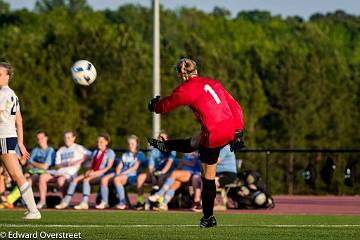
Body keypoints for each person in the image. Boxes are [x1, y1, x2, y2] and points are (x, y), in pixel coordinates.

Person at [148, 58, 244, 228]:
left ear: (180, 74)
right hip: (230, 128)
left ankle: (208, 218)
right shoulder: (213, 83)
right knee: (194, 140)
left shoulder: (185, 89)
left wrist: (155, 105)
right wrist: (238, 131)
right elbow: (235, 106)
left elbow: (165, 106)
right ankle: (166, 145)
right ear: (196, 70)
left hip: (214, 134)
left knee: (208, 177)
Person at [0, 62, 40, 219]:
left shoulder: (3, 93)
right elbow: (19, 120)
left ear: (8, 76)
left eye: (0, 74)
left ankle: (34, 211)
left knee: (16, 175)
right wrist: (21, 143)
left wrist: (19, 142)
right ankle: (33, 210)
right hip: (8, 137)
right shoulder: (11, 93)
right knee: (15, 174)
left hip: (3, 137)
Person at [55, 133, 115, 210]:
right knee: (75, 179)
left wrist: (94, 172)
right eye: (97, 141)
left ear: (106, 142)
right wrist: (89, 171)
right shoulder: (95, 152)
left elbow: (108, 167)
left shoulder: (110, 152)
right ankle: (65, 201)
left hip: (103, 173)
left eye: (101, 142)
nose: (98, 143)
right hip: (94, 172)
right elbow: (93, 165)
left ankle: (87, 202)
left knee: (86, 180)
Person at [0, 130, 55, 209]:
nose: (40, 140)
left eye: (41, 138)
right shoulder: (35, 150)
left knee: (27, 180)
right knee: (23, 178)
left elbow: (45, 167)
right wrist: (33, 165)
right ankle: (8, 200)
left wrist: (33, 164)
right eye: (38, 139)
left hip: (45, 173)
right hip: (32, 173)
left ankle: (9, 200)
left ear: (46, 138)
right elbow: (29, 165)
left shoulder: (50, 150)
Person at [37, 130, 90, 208]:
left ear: (74, 138)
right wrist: (67, 164)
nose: (66, 139)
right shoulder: (61, 150)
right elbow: (57, 165)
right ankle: (42, 202)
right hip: (59, 172)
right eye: (65, 138)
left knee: (60, 180)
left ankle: (65, 201)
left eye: (69, 137)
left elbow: (90, 155)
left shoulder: (79, 148)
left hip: (71, 174)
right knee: (42, 177)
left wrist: (79, 161)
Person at [96, 134, 144, 210]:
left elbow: (135, 167)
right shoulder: (125, 154)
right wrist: (118, 173)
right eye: (129, 144)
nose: (130, 146)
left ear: (137, 144)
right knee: (104, 179)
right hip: (121, 174)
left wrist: (122, 173)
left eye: (132, 144)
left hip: (132, 175)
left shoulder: (140, 154)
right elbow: (120, 165)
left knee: (116, 179)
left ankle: (123, 202)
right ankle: (104, 202)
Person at [136, 131, 176, 210]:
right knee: (140, 177)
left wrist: (160, 174)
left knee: (161, 178)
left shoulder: (172, 150)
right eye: (159, 138)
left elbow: (168, 165)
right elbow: (151, 167)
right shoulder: (154, 150)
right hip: (155, 174)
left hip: (167, 174)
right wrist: (152, 175)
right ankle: (140, 201)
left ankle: (159, 202)